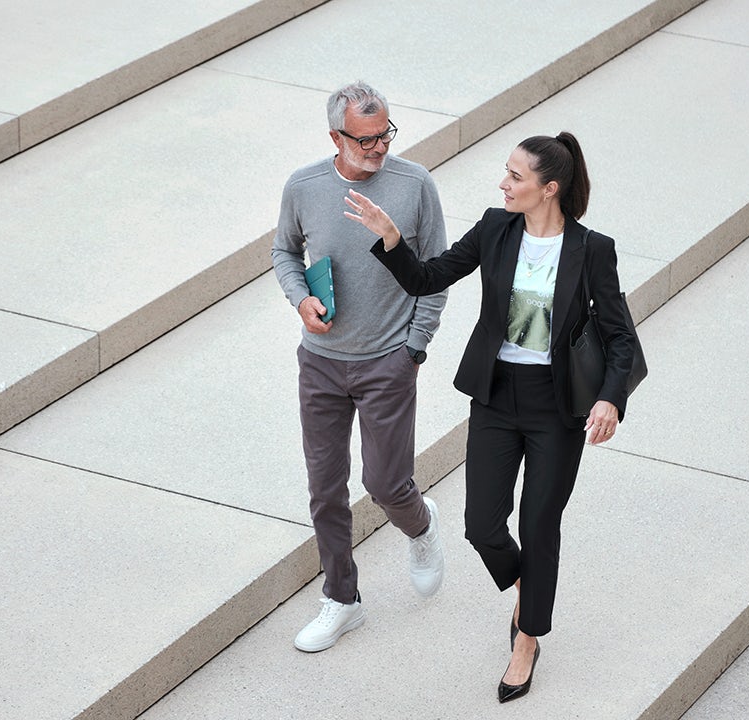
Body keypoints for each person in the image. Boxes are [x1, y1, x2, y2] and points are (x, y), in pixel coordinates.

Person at [343, 131, 635, 702]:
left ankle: (527, 639)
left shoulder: (592, 249)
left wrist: (610, 398)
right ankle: (530, 585)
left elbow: (621, 336)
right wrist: (393, 240)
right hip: (497, 396)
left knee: (539, 525)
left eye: (516, 176)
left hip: (558, 408)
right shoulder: (495, 229)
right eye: (506, 172)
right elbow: (429, 278)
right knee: (482, 525)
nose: (503, 183)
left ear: (548, 189)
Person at [271, 81, 449, 653]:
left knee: (385, 484)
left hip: (386, 362)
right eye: (366, 139)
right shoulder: (304, 187)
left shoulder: (414, 185)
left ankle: (421, 526)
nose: (379, 148)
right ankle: (342, 600)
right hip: (321, 361)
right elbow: (284, 251)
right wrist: (300, 298)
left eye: (385, 135)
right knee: (325, 488)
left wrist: (413, 348)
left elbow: (436, 273)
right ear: (335, 136)